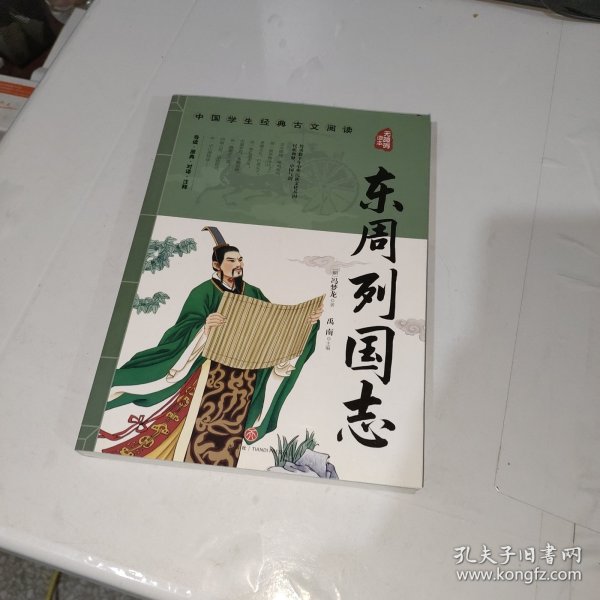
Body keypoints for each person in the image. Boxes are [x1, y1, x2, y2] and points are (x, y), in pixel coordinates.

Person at [100, 227, 322, 467]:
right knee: (198, 427)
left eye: (240, 259)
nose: (238, 264)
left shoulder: (253, 292)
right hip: (211, 371)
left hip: (245, 378)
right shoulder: (204, 291)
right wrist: (204, 328)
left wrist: (306, 323)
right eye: (231, 260)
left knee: (229, 435)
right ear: (217, 265)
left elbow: (275, 325)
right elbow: (184, 327)